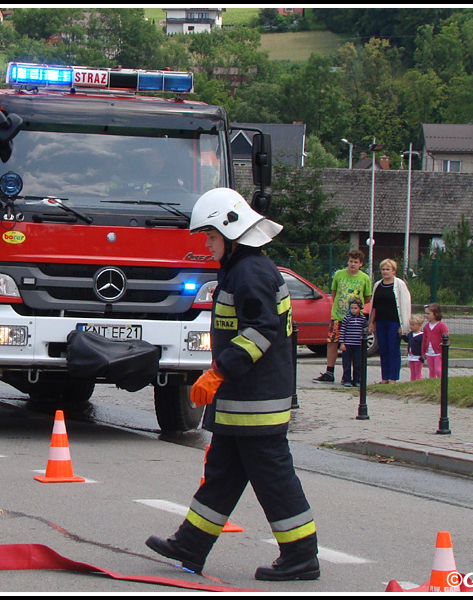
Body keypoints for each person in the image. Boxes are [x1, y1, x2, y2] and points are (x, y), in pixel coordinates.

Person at [145, 188, 319, 582]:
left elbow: (260, 332)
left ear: (231, 230)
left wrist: (219, 371)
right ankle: (191, 544)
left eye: (210, 236)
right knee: (222, 475)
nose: (207, 244)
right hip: (242, 400)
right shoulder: (241, 269)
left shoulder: (251, 272)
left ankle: (301, 555)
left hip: (255, 401)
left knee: (273, 478)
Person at [313, 249, 372, 383]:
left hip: (355, 319)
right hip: (338, 316)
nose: (352, 264)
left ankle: (353, 375)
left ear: (361, 264)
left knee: (354, 345)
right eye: (351, 261)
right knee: (333, 342)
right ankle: (329, 371)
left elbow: (367, 297)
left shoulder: (364, 278)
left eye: (355, 262)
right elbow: (334, 292)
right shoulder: (339, 275)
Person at [368, 259, 412, 384]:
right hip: (381, 322)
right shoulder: (378, 285)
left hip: (394, 322)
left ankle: (393, 377)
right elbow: (374, 306)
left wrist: (403, 326)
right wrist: (371, 322)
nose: (385, 272)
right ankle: (384, 377)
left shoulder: (399, 285)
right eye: (383, 269)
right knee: (383, 349)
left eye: (388, 269)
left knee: (393, 350)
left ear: (393, 271)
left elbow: (405, 305)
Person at [339, 297, 366, 387]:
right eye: (352, 308)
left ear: (360, 309)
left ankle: (357, 380)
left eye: (355, 308)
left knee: (357, 363)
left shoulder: (362, 319)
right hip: (348, 344)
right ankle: (347, 379)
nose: (353, 310)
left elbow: (364, 331)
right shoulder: (347, 318)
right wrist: (342, 343)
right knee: (346, 363)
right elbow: (343, 331)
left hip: (358, 344)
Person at [422, 303, 449, 379]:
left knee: (438, 370)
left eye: (429, 313)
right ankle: (432, 383)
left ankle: (441, 381)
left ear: (435, 314)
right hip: (429, 352)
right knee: (431, 370)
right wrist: (423, 351)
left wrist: (444, 351)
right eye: (426, 313)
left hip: (438, 352)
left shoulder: (441, 325)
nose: (427, 315)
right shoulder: (426, 326)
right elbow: (424, 340)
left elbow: (446, 338)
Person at [402, 314, 425, 381]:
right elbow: (407, 340)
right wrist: (402, 335)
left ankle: (419, 382)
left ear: (419, 325)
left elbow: (423, 346)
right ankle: (412, 382)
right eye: (410, 325)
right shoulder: (410, 334)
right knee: (412, 372)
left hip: (418, 357)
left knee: (418, 372)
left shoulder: (422, 335)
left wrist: (422, 355)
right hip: (411, 356)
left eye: (413, 325)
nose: (411, 327)